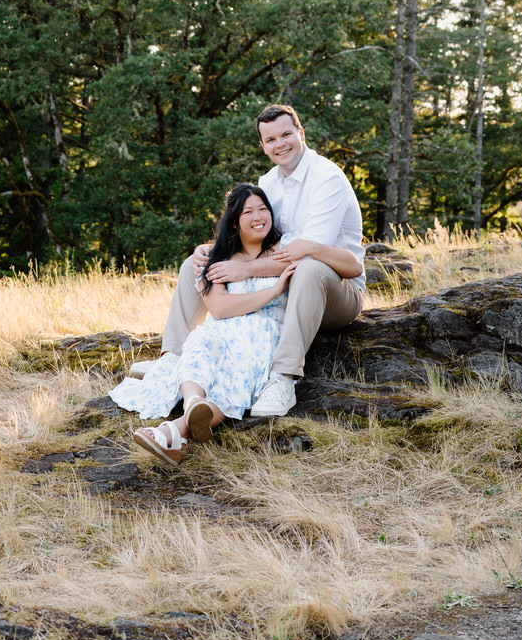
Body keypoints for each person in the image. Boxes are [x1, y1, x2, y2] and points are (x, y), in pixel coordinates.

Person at [130, 104, 366, 418]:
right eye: (270, 140)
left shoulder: (326, 179)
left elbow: (305, 256)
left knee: (309, 268)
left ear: (301, 133)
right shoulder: (268, 182)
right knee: (194, 265)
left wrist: (246, 269)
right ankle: (173, 357)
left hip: (335, 290)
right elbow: (253, 233)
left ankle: (283, 377)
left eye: (286, 134)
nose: (280, 144)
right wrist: (214, 250)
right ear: (263, 146)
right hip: (283, 288)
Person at [110, 182, 362, 467]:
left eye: (263, 209)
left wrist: (313, 249)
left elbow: (353, 266)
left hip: (264, 337)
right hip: (224, 331)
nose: (258, 217)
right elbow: (219, 308)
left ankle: (174, 430)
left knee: (234, 376)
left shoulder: (288, 246)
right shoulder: (216, 258)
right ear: (233, 223)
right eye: (248, 212)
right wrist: (274, 290)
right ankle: (191, 408)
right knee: (201, 342)